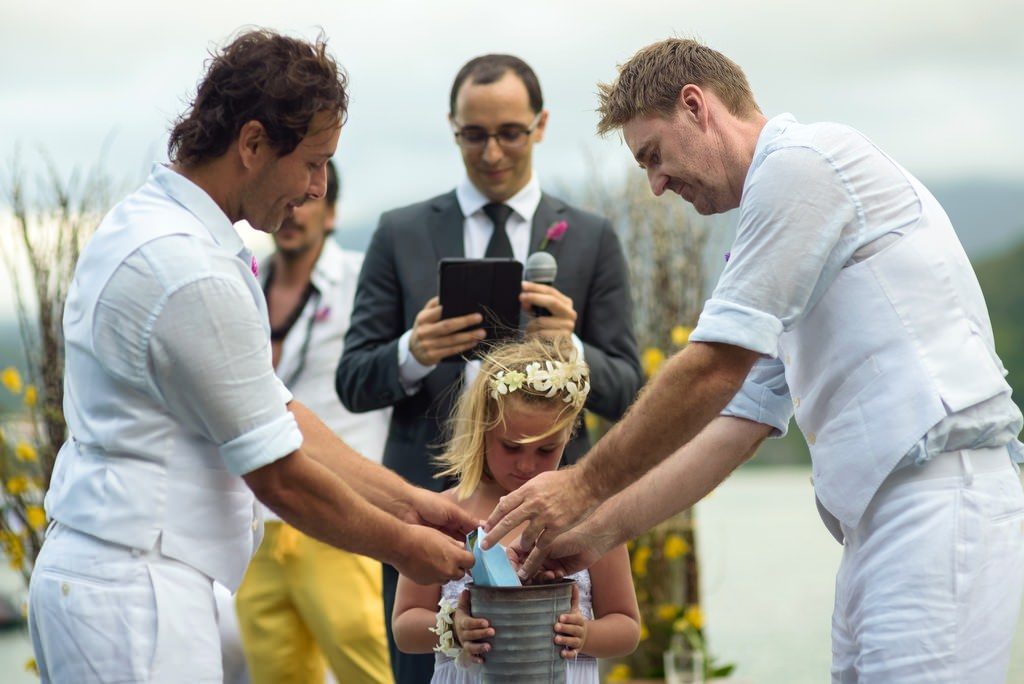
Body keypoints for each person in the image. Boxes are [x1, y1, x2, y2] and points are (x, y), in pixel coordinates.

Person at [484, 38, 1024, 682]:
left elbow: (710, 369)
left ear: (696, 106)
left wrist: (580, 486)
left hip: (938, 496)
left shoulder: (803, 167)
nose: (656, 185)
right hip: (879, 523)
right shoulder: (775, 228)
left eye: (653, 156)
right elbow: (730, 428)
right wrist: (588, 539)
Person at [27, 30, 475, 683]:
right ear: (254, 143)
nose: (319, 189)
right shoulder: (189, 271)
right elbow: (278, 475)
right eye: (314, 162)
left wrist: (411, 502)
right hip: (135, 598)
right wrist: (409, 549)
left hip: (114, 578)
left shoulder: (149, 223)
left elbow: (277, 409)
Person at [336, 53, 643, 682]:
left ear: (541, 125)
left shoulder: (590, 236)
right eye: (474, 135)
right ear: (453, 128)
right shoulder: (400, 232)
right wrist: (411, 351)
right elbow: (352, 379)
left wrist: (573, 346)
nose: (492, 151)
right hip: (431, 501)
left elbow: (629, 388)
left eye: (509, 132)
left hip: (553, 505)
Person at [392, 337, 640, 683]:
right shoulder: (444, 514)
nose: (527, 465)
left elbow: (627, 626)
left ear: (570, 434)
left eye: (546, 450)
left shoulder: (591, 517)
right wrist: (452, 628)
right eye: (511, 447)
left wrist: (585, 635)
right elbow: (405, 626)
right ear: (483, 430)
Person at [234, 160, 393, 683]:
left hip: (340, 515)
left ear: (331, 213)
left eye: (311, 201)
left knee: (370, 669)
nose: (297, 212)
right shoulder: (242, 280)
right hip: (259, 517)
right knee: (277, 674)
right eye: (290, 199)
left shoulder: (362, 281)